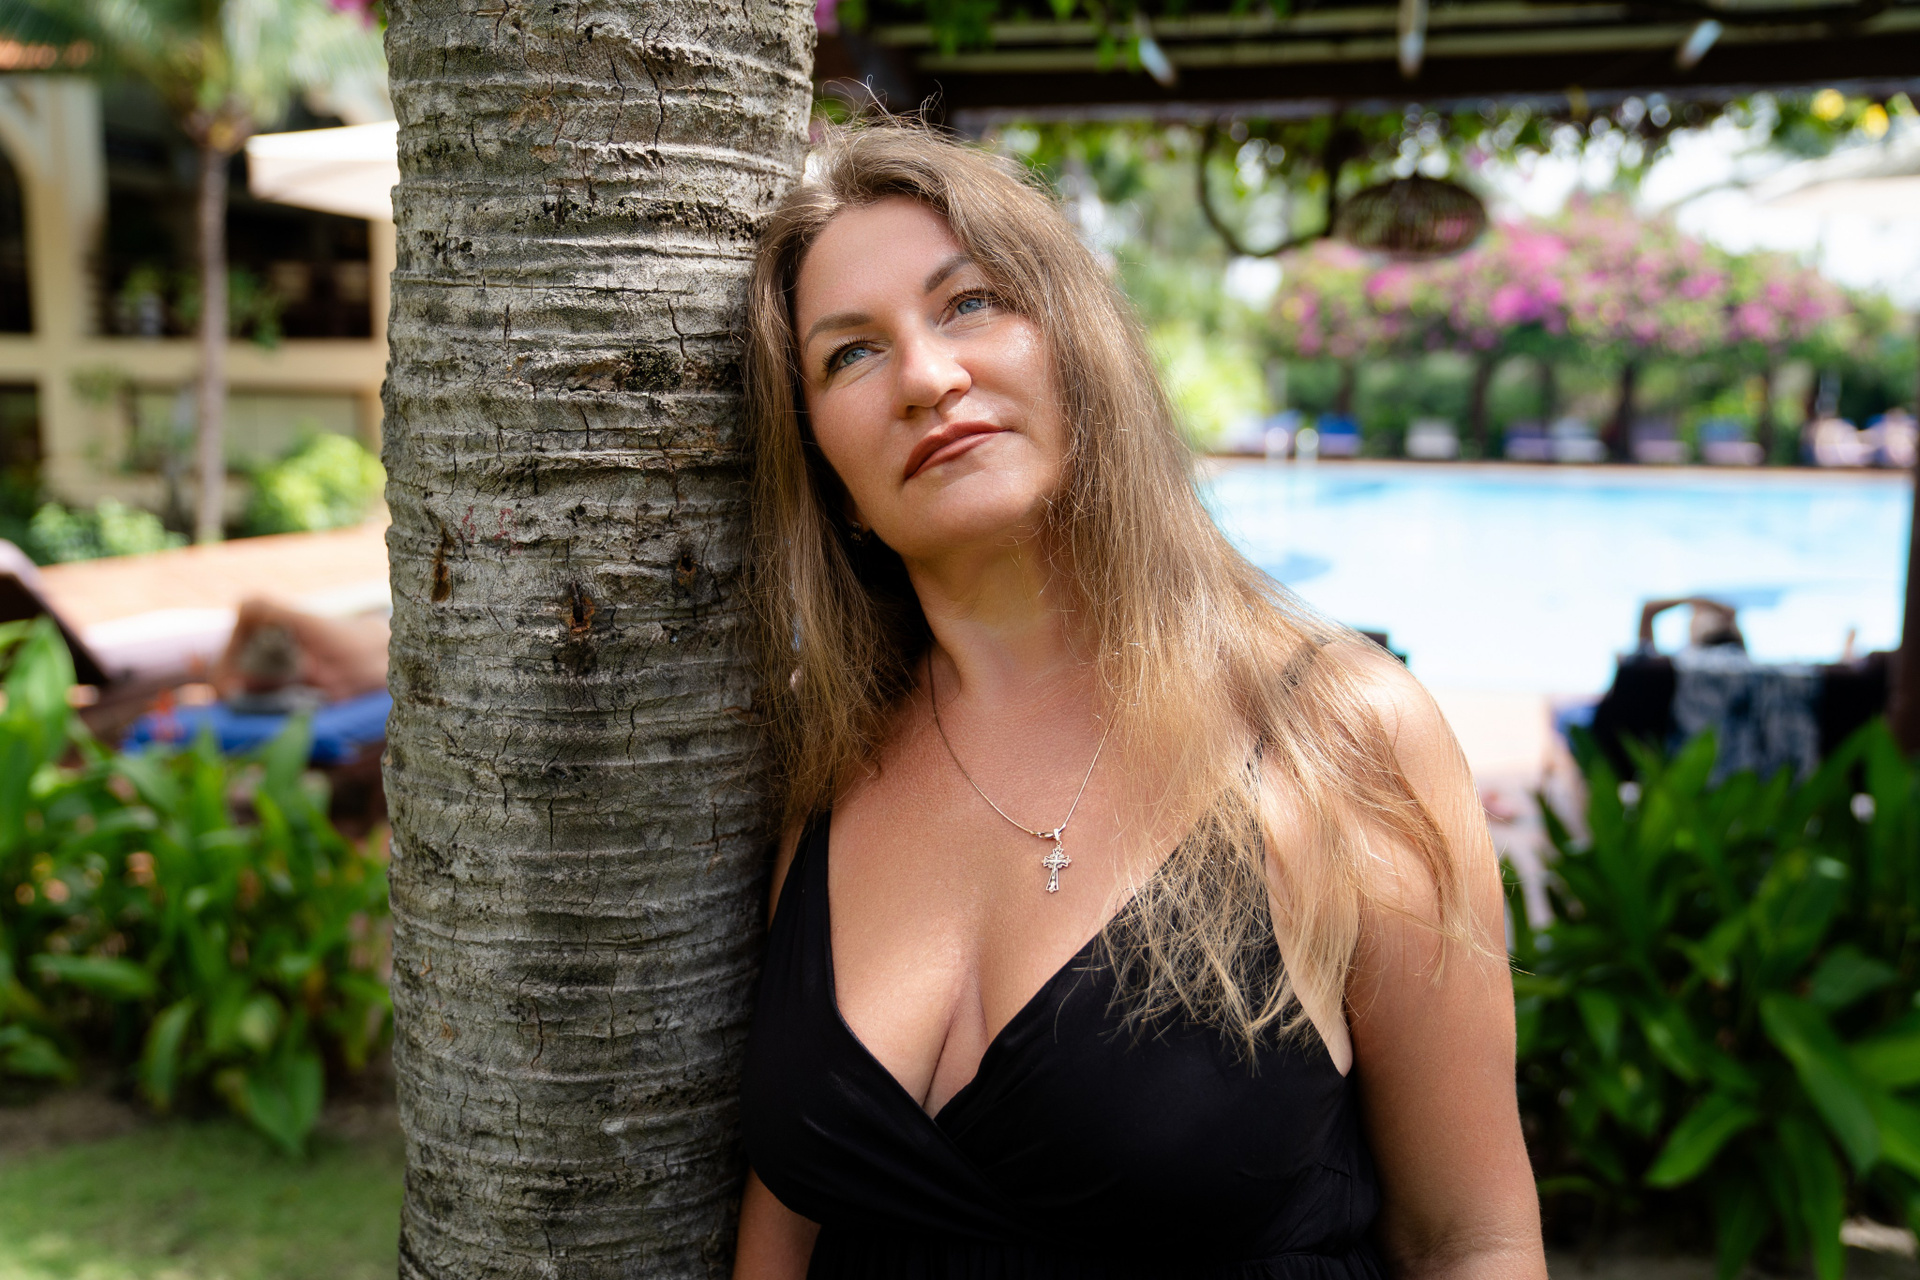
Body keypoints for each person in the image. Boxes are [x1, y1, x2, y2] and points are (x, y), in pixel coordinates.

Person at [733, 123, 1543, 1280]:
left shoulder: (1334, 731)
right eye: (850, 354)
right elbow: (780, 1237)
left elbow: (1471, 1237)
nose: (925, 377)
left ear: (1079, 347)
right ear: (830, 474)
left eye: (969, 303)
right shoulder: (827, 768)